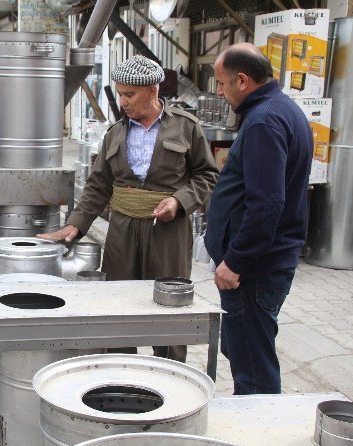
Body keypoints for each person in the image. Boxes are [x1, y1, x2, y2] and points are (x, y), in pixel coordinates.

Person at [38, 56, 218, 362]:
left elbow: (207, 174)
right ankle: (122, 370)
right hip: (122, 231)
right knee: (118, 307)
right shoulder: (115, 134)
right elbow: (98, 186)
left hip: (169, 232)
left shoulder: (186, 127)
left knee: (169, 306)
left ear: (152, 90)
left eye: (129, 94)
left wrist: (179, 201)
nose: (123, 101)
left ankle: (170, 373)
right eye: (120, 94)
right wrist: (75, 225)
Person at [205, 43, 313, 395]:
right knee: (245, 352)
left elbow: (267, 203)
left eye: (221, 84)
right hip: (262, 265)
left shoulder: (264, 121)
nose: (220, 92)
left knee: (254, 369)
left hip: (252, 271)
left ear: (242, 80)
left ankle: (260, 428)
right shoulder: (279, 109)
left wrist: (234, 262)